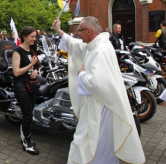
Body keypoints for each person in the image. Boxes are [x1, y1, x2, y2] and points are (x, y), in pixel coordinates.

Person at [53, 16, 145, 164]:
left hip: (99, 108)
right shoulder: (96, 44)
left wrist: (82, 74)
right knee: (101, 144)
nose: (78, 34)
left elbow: (97, 83)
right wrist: (59, 31)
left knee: (88, 143)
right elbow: (76, 45)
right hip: (99, 104)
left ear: (88, 31)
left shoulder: (100, 50)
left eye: (79, 31)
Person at [12, 26, 39, 155]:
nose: (34, 39)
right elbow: (16, 72)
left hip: (31, 85)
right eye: (32, 36)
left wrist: (35, 71)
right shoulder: (17, 51)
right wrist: (31, 65)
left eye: (35, 36)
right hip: (21, 85)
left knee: (29, 114)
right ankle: (27, 142)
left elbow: (37, 66)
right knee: (27, 114)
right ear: (24, 36)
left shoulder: (33, 50)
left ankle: (25, 138)